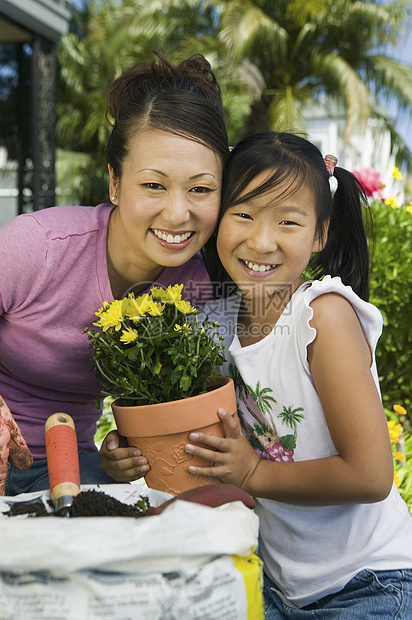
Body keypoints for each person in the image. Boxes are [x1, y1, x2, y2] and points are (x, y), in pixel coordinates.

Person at [183, 132, 412, 618]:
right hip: (277, 587)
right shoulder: (218, 324)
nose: (260, 240)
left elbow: (371, 476)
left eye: (287, 221)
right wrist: (131, 454)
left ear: (320, 235)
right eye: (243, 214)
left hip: (370, 582)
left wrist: (253, 472)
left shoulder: (321, 317)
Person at [0, 51, 229, 495]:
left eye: (200, 189)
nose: (178, 213)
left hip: (72, 466)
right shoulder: (39, 246)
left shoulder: (198, 288)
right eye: (153, 185)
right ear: (114, 183)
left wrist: (125, 447)